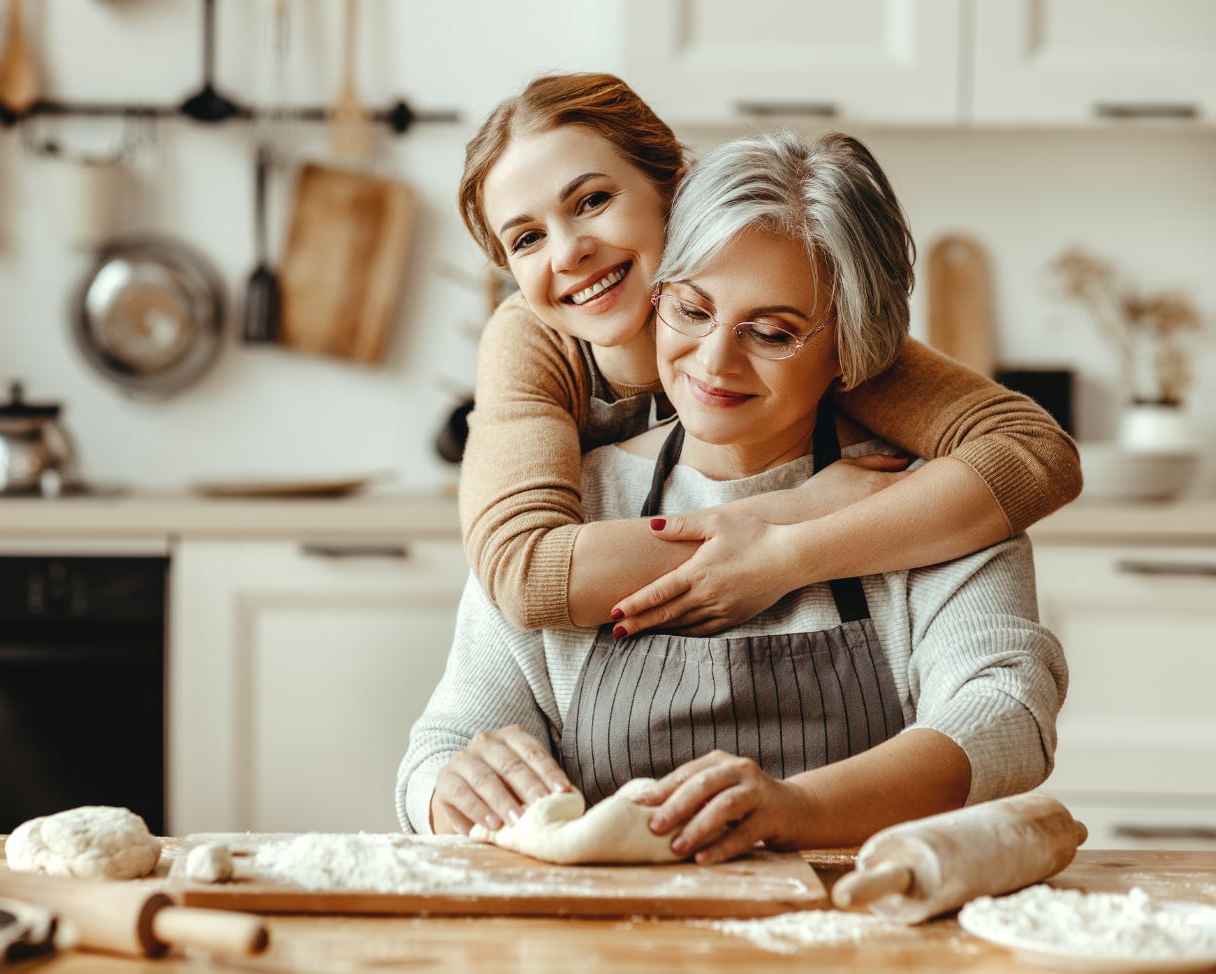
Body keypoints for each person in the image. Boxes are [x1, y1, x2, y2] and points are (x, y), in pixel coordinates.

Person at [399, 131, 1069, 863]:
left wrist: (799, 807)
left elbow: (1007, 715)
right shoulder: (574, 503)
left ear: (851, 345)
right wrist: (447, 788)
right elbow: (441, 746)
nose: (714, 361)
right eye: (690, 310)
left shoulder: (926, 501)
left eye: (773, 331)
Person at [455, 73, 1082, 638]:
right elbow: (526, 571)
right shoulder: (531, 342)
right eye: (528, 238)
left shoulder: (783, 331)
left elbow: (1033, 454)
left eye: (592, 201)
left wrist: (792, 557)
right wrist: (797, 509)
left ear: (676, 188)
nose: (567, 253)